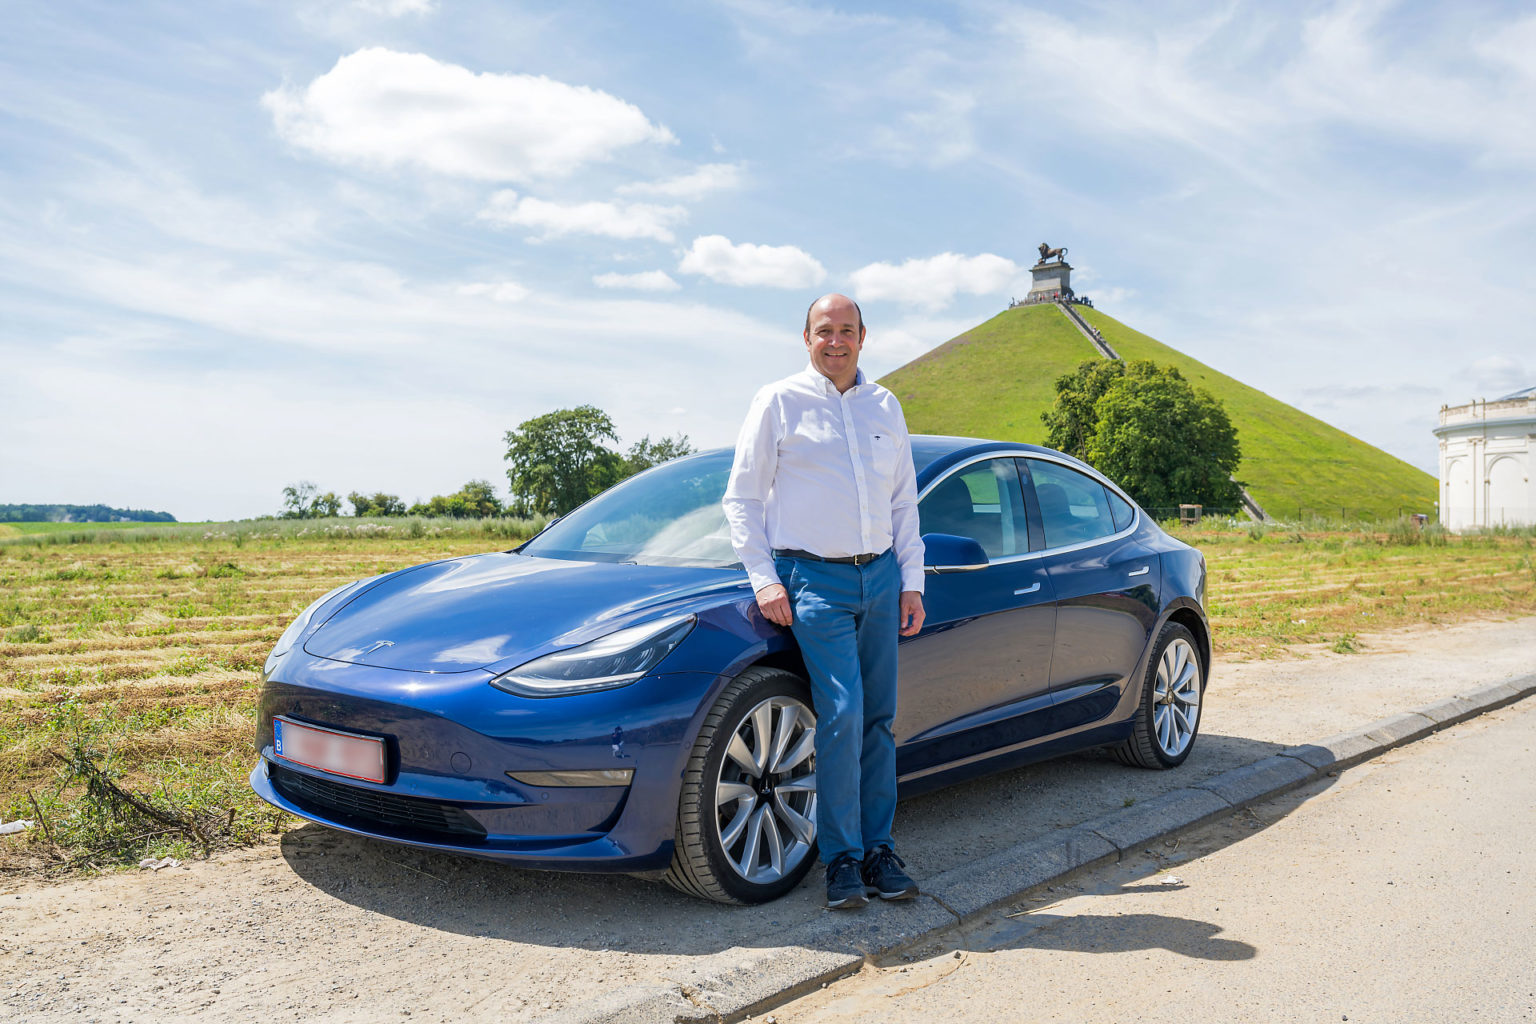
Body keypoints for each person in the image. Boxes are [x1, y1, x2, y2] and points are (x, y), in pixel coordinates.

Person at [722, 293, 926, 910]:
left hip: (882, 577)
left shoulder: (885, 405)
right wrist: (764, 578)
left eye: (846, 331)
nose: (835, 341)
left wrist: (912, 579)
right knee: (840, 714)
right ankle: (840, 859)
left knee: (878, 719)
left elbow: (903, 503)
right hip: (813, 581)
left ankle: (878, 851)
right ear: (805, 338)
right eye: (823, 331)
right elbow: (743, 499)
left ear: (864, 336)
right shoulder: (778, 402)